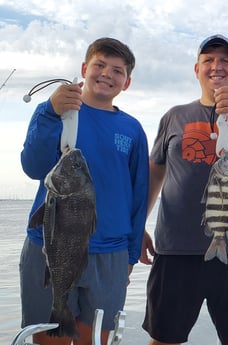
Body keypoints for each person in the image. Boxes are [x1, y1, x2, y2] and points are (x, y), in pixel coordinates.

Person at [141, 34, 228, 345]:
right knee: (164, 337)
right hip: (176, 249)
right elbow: (156, 171)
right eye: (208, 60)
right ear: (196, 69)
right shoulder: (174, 116)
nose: (217, 66)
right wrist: (137, 225)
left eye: (225, 61)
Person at [20, 37, 149, 345]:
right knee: (51, 338)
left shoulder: (132, 129)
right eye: (100, 65)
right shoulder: (55, 111)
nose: (107, 74)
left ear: (126, 82)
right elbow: (34, 167)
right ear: (84, 69)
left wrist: (130, 255)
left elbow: (138, 196)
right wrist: (50, 112)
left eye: (117, 70)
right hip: (49, 246)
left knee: (97, 339)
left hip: (109, 253)